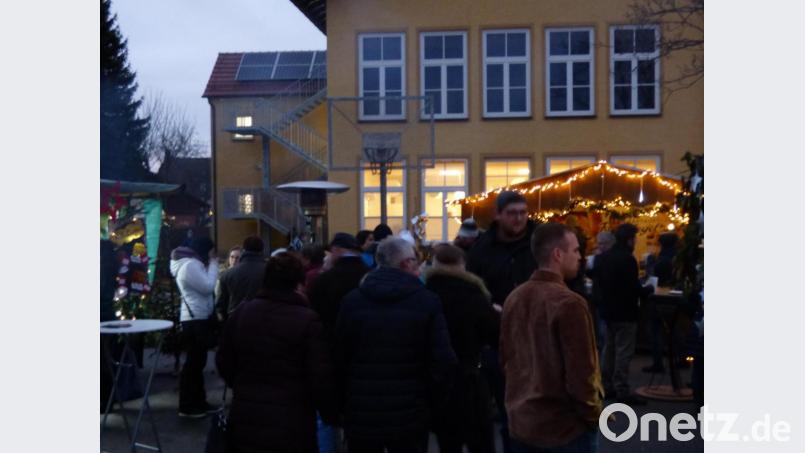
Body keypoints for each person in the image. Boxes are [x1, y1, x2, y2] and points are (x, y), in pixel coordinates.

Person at [335, 237, 457, 453]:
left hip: (362, 411)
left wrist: (343, 404)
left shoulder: (352, 301)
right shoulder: (426, 301)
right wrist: (433, 403)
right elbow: (443, 361)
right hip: (411, 412)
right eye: (416, 261)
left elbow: (339, 357)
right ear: (406, 263)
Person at [216, 253, 337, 453]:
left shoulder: (242, 313)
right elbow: (319, 375)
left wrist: (241, 385)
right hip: (293, 418)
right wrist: (328, 412)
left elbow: (224, 360)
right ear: (299, 283)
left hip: (247, 414)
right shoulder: (307, 320)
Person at [500, 223, 603, 453]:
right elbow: (581, 375)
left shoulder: (514, 297)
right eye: (575, 250)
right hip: (562, 429)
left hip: (522, 423)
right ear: (558, 254)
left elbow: (507, 359)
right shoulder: (570, 304)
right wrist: (593, 415)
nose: (580, 257)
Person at [466, 190, 537, 453]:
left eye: (523, 212)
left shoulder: (539, 241)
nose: (519, 219)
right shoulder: (482, 248)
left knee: (534, 412)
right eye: (512, 213)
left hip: (536, 339)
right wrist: (488, 309)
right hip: (496, 340)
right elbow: (472, 290)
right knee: (507, 411)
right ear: (498, 215)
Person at [424, 244, 499, 453]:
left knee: (447, 441)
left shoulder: (425, 293)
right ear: (462, 264)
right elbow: (494, 334)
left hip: (437, 379)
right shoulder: (474, 294)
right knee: (481, 440)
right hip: (470, 376)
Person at [597, 223, 654, 406]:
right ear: (630, 240)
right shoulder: (628, 260)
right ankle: (621, 388)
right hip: (625, 312)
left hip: (608, 310)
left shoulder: (604, 258)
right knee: (623, 351)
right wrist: (648, 289)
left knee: (609, 349)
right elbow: (633, 288)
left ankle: (606, 385)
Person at [170, 236, 219, 418]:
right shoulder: (190, 265)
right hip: (195, 318)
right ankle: (188, 405)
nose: (213, 254)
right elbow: (208, 287)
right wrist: (213, 264)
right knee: (194, 363)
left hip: (195, 317)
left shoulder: (190, 263)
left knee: (197, 362)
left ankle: (198, 402)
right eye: (211, 251)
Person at [308, 233, 370, 339]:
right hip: (366, 338)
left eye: (331, 251)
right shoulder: (370, 275)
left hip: (333, 339)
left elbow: (316, 312)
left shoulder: (324, 279)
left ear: (337, 249)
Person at [643, 232, 680, 373]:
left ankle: (658, 362)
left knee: (655, 329)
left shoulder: (662, 258)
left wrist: (650, 263)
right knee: (673, 328)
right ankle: (680, 357)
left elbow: (653, 275)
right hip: (673, 295)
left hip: (660, 296)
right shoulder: (675, 257)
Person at [216, 237, 267, 318]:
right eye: (232, 257)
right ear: (262, 249)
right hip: (263, 318)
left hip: (236, 318)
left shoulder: (227, 274)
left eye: (236, 257)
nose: (234, 260)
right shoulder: (270, 271)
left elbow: (221, 303)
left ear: (244, 249)